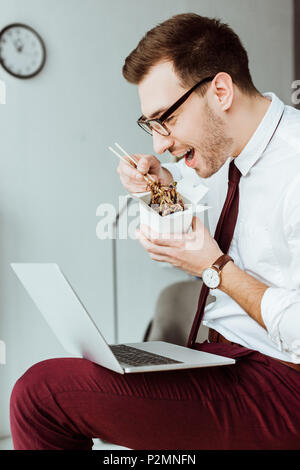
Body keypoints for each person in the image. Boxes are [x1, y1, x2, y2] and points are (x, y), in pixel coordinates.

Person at [10, 13, 300, 450]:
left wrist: (215, 267)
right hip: (220, 356)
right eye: (151, 126)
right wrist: (160, 192)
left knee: (41, 394)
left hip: (283, 383)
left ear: (220, 91)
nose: (159, 144)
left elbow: (220, 271)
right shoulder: (219, 159)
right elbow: (195, 248)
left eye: (165, 119)